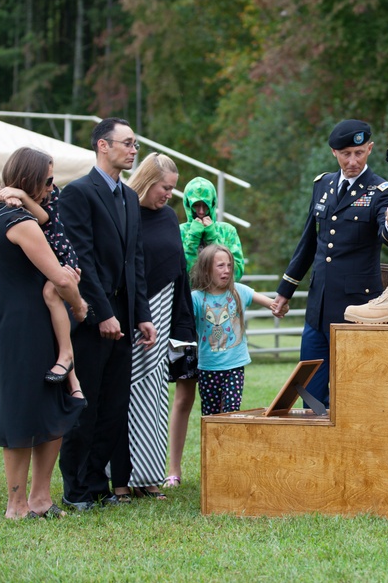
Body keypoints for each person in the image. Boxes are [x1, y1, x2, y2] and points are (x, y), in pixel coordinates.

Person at [0, 146, 88, 519]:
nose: (51, 186)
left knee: (48, 407)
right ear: (28, 179)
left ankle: (39, 499)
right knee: (24, 411)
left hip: (16, 321)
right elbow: (59, 276)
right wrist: (79, 306)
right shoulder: (21, 222)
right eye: (47, 179)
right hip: (32, 323)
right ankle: (17, 503)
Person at [271, 119, 388, 407]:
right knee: (309, 393)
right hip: (318, 310)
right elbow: (309, 242)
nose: (353, 161)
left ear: (370, 149)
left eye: (359, 153)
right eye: (346, 154)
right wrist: (285, 291)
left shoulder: (383, 191)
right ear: (334, 152)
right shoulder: (322, 185)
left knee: (355, 395)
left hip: (357, 311)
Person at [58, 117, 157, 511]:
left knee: (115, 406)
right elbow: (81, 258)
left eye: (135, 144)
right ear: (103, 145)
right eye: (127, 143)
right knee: (88, 404)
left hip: (124, 313)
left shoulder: (130, 197)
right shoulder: (78, 193)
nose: (134, 150)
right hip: (90, 315)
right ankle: (75, 490)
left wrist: (142, 314)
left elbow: (136, 260)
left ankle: (98, 486)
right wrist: (101, 313)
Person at [107, 154, 195, 501]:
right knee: (126, 394)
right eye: (165, 187)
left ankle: (148, 475)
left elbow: (178, 270)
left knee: (155, 393)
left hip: (162, 315)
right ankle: (121, 478)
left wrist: (182, 323)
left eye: (173, 189)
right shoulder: (125, 213)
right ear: (146, 182)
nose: (169, 195)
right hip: (133, 312)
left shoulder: (170, 217)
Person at [165, 176, 247, 488]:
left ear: (213, 203)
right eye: (194, 205)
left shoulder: (227, 231)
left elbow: (236, 272)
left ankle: (222, 463)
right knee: (184, 397)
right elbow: (181, 275)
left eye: (205, 204)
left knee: (223, 403)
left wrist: (211, 235)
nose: (200, 210)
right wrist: (192, 239)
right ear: (186, 205)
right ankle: (174, 469)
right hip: (187, 321)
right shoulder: (181, 230)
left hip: (219, 328)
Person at [0, 185, 83, 390]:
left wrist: (23, 196)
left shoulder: (51, 193)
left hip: (61, 254)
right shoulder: (5, 196)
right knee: (50, 293)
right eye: (47, 178)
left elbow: (43, 218)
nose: (50, 183)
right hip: (42, 259)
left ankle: (68, 359)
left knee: (51, 292)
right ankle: (72, 376)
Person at [192, 244, 276, 415]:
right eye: (220, 265)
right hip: (208, 368)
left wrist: (280, 305)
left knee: (231, 413)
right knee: (211, 417)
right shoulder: (196, 298)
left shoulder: (239, 291)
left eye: (229, 265)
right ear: (206, 269)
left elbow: (273, 304)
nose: (227, 270)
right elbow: (178, 322)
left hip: (234, 366)